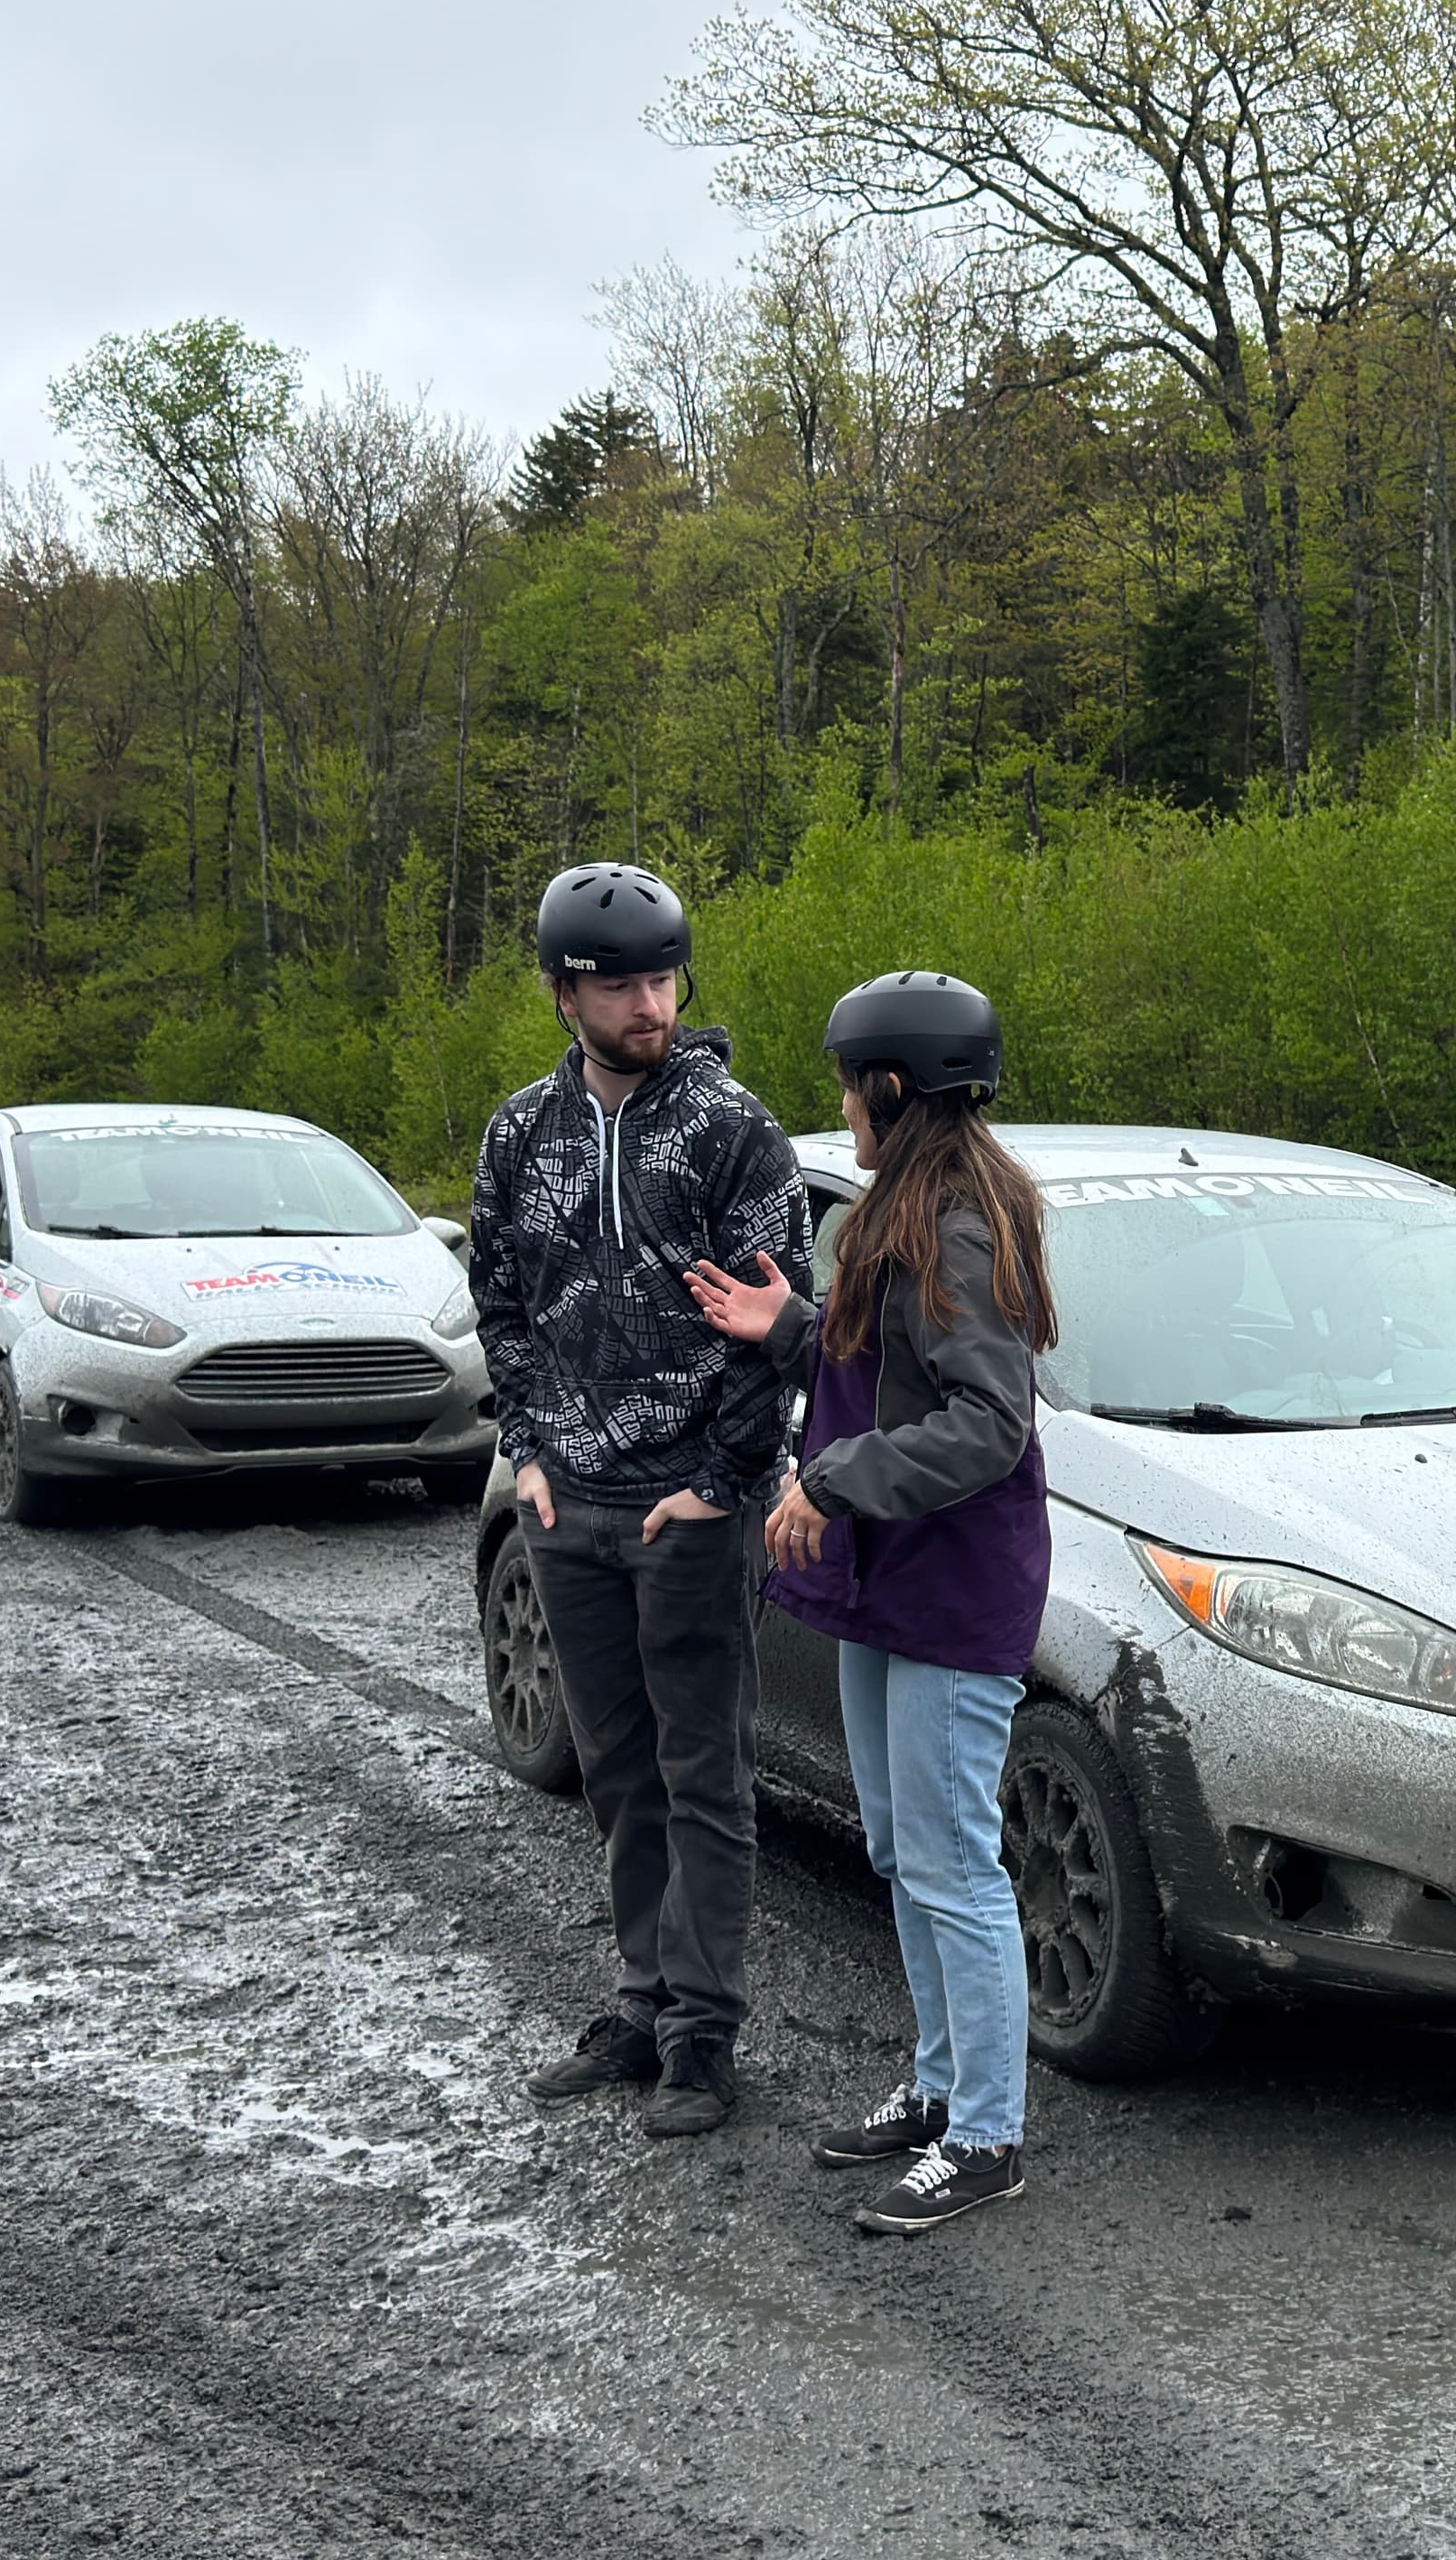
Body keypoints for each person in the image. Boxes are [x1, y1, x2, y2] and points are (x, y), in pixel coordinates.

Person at [684, 970, 1053, 2236]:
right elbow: (883, 1366)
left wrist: (831, 1484)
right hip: (892, 1584)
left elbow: (987, 1425)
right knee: (905, 1853)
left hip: (951, 1591)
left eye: (849, 1084)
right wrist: (786, 1323)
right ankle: (944, 2090)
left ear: (889, 1088)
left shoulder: (954, 1222)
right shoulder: (911, 1204)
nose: (839, 1105)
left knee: (956, 1865)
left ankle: (990, 2137)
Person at [472, 863, 800, 2140]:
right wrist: (530, 1446)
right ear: (565, 994)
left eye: (664, 980)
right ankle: (642, 2001)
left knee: (703, 1770)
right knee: (614, 1768)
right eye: (621, 987)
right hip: (571, 1505)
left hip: (690, 1511)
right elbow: (497, 1291)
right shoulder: (519, 1134)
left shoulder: (732, 1130)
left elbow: (775, 1327)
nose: (650, 1004)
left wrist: (720, 1486)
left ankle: (703, 2040)